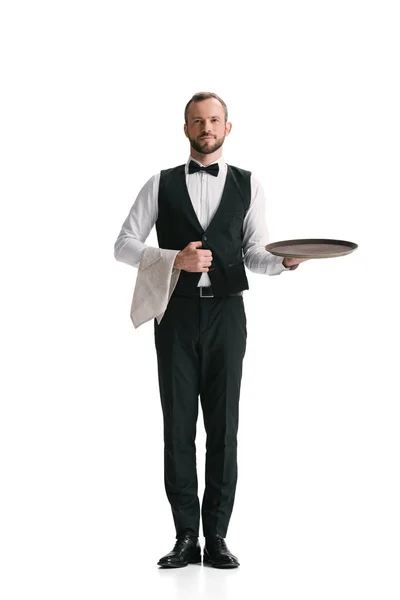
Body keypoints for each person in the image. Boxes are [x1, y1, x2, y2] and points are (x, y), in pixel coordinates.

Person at [114, 92, 308, 568]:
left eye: (214, 120)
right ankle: (185, 537)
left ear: (227, 127)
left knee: (224, 428)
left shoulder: (249, 184)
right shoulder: (159, 184)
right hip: (175, 315)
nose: (206, 128)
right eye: (198, 121)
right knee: (177, 427)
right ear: (186, 129)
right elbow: (123, 245)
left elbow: (255, 254)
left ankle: (217, 536)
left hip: (227, 315)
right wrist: (171, 259)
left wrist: (283, 262)